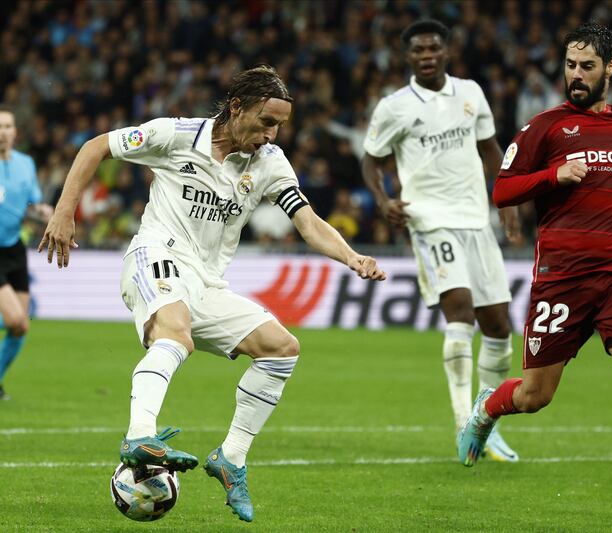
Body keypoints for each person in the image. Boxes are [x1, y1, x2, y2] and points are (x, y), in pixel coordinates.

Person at [39, 66, 386, 522]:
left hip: (205, 281)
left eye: (279, 125)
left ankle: (232, 457)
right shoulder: (174, 135)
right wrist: (65, 212)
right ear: (237, 107)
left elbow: (307, 222)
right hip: (155, 254)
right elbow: (95, 147)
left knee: (282, 349)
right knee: (175, 336)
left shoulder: (269, 163)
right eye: (266, 122)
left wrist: (351, 257)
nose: (272, 134)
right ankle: (139, 436)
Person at [457, 23, 612, 519]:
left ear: (610, 68)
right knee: (535, 394)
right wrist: (553, 176)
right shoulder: (546, 126)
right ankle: (487, 410)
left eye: (587, 67)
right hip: (562, 279)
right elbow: (502, 191)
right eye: (569, 66)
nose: (576, 76)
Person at [362, 19, 521, 462]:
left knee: (498, 326)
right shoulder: (394, 107)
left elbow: (491, 149)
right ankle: (460, 425)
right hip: (429, 219)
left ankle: (486, 424)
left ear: (446, 51)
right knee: (461, 313)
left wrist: (507, 202)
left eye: (433, 48)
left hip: (476, 219)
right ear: (408, 57)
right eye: (418, 50)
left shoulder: (471, 93)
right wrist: (383, 199)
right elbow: (370, 161)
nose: (426, 56)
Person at [0, 106, 52, 400]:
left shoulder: (25, 164)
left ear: (15, 132)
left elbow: (33, 204)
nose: (3, 132)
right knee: (16, 320)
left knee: (21, 327)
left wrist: (43, 212)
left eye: (7, 126)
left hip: (13, 248)